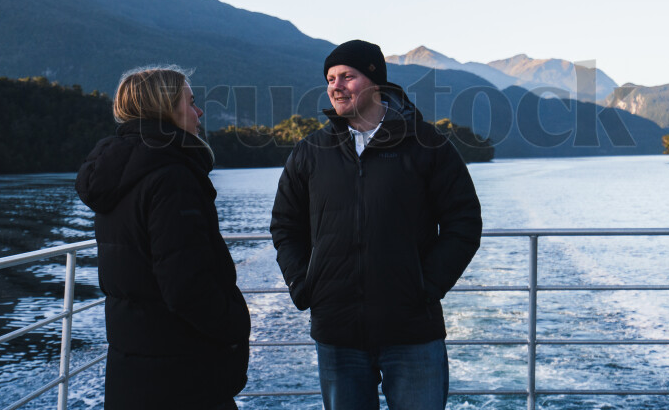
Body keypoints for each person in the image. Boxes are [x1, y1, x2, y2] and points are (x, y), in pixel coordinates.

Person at [270, 40, 482, 410]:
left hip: (412, 330)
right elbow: (285, 226)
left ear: (375, 83)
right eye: (330, 78)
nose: (335, 85)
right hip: (337, 333)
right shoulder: (310, 151)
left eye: (347, 76)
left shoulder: (427, 145)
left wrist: (426, 286)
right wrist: (303, 284)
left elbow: (463, 222)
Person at [75, 66, 250, 410]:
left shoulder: (116, 173)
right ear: (164, 108)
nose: (199, 113)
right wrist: (235, 325)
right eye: (191, 102)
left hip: (132, 371)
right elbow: (186, 286)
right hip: (183, 375)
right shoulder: (171, 177)